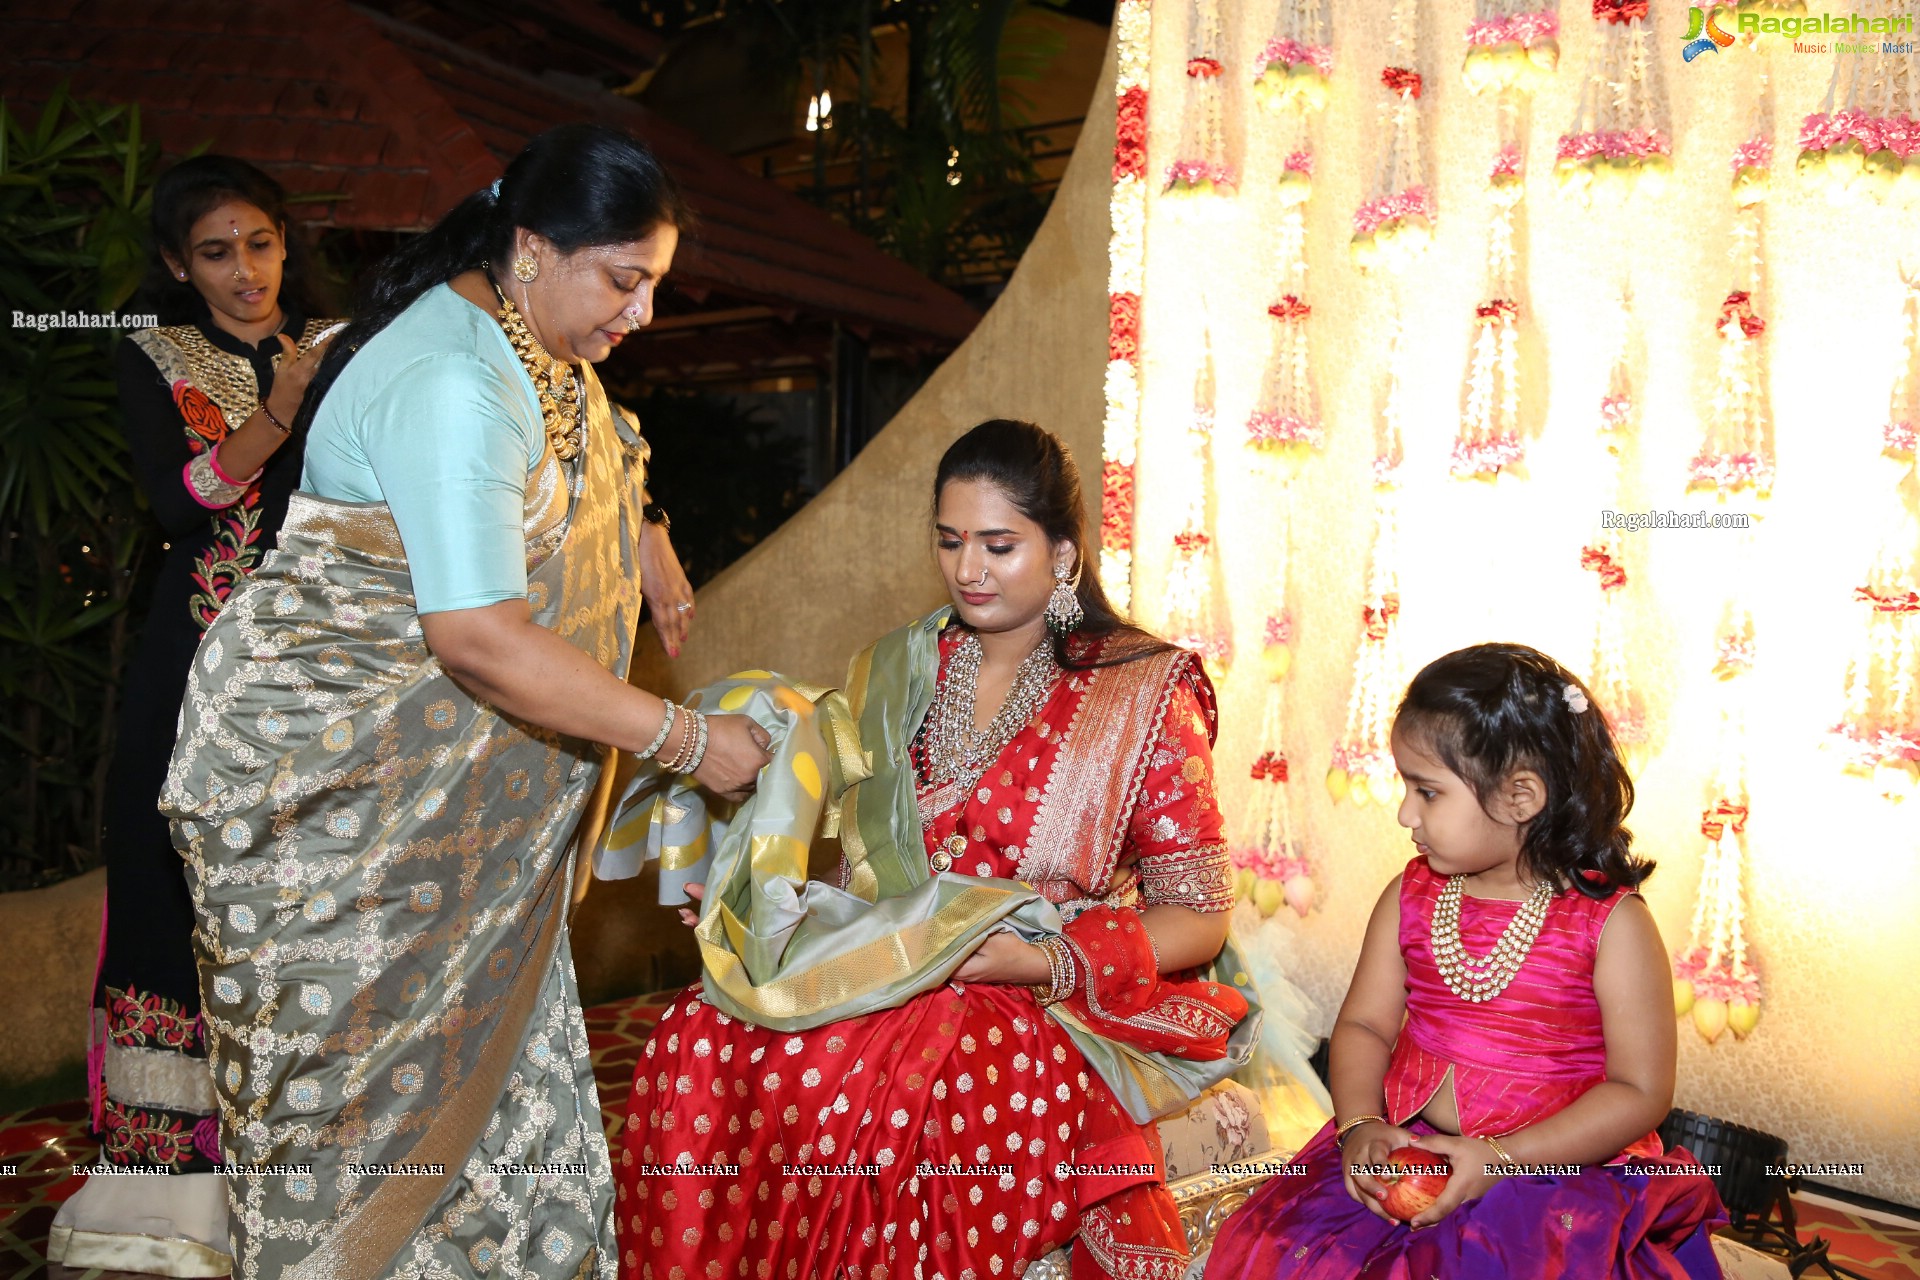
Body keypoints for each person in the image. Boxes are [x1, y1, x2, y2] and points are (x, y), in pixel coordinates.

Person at [158, 123, 770, 1280]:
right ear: (535, 248)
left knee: (500, 1113)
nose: (642, 314)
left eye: (655, 285)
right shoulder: (451, 378)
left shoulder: (527, 337)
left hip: (461, 835)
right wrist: (688, 738)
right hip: (330, 810)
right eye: (626, 281)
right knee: (359, 1124)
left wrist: (642, 525)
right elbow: (483, 641)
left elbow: (596, 435)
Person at [614, 420, 1321, 1279]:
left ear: (1064, 553)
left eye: (999, 544)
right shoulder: (903, 668)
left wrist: (1043, 961)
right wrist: (778, 912)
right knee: (701, 1031)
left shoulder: (1143, 691)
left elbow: (1198, 919)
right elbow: (879, 864)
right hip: (899, 956)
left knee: (908, 1081)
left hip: (1047, 987)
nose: (968, 570)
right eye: (950, 543)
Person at [1206, 643, 1729, 1279]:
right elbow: (1366, 1026)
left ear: (1521, 797)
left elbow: (1640, 1090)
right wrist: (1360, 1126)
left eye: (1427, 791)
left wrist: (1501, 1159)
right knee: (1286, 1253)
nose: (1405, 813)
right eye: (1407, 787)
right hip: (1407, 1146)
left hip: (1552, 1172)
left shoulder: (1612, 925)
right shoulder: (1411, 894)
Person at [52, 155, 340, 1278]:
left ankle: (316, 1166)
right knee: (172, 893)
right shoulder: (157, 355)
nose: (244, 271)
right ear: (178, 264)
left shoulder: (343, 347)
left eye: (260, 243)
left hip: (325, 669)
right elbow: (184, 500)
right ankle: (165, 1197)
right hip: (198, 664)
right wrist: (275, 411)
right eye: (214, 252)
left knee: (312, 896)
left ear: (286, 242)